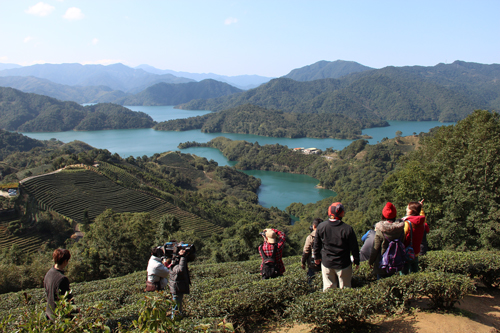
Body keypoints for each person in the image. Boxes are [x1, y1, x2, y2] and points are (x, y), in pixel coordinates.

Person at [313, 202, 360, 291]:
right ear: (341, 213)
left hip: (327, 263)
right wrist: (356, 261)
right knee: (346, 289)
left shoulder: (321, 226)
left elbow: (316, 244)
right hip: (343, 264)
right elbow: (354, 247)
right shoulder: (347, 229)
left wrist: (317, 257)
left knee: (328, 289)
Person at [368, 202, 405, 279]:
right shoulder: (400, 229)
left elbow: (376, 248)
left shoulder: (380, 230)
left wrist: (370, 261)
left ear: (384, 215)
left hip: (382, 264)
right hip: (396, 262)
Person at [44, 248, 74, 320]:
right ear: (65, 261)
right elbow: (66, 299)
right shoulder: (62, 279)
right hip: (59, 317)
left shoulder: (48, 274)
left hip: (49, 314)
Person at [400, 200, 426, 275]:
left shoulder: (407, 223)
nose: (406, 209)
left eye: (408, 208)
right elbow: (421, 216)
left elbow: (402, 238)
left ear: (412, 211)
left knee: (403, 276)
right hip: (416, 253)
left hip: (406, 253)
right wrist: (420, 208)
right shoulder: (422, 221)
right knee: (415, 274)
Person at [168, 244, 191, 319]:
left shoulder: (175, 260)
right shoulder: (173, 262)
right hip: (176, 286)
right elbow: (180, 270)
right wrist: (182, 257)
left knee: (178, 305)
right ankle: (174, 320)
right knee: (176, 306)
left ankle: (177, 318)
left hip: (178, 285)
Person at [301, 218, 322, 283]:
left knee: (311, 281)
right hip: (325, 262)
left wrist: (303, 262)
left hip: (313, 263)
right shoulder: (326, 235)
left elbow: (306, 251)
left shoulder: (311, 237)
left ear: (314, 226)